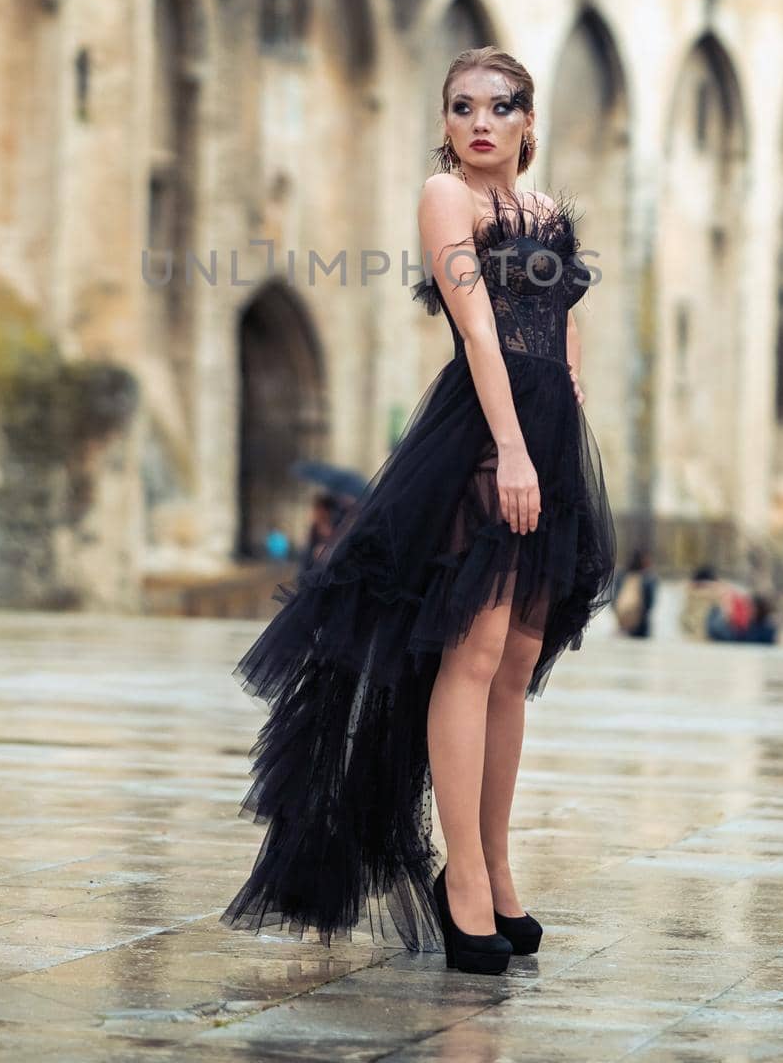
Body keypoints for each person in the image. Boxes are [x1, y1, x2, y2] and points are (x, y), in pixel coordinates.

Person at [221, 47, 617, 975]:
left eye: (500, 106)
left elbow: (560, 327)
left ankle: (499, 868)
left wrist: (566, 418)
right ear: (443, 123)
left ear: (528, 119)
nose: (480, 121)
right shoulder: (449, 200)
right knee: (473, 654)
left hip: (549, 434)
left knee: (519, 659)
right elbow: (478, 329)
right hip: (481, 434)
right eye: (461, 106)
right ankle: (464, 879)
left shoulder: (548, 211)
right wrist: (512, 446)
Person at [613, 549, 657, 638]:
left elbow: (614, 597)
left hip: (623, 620)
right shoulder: (648, 578)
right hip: (641, 623)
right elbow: (649, 603)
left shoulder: (621, 575)